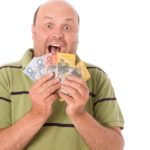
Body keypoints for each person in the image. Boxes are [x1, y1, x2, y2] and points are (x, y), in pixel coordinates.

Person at [0, 0, 124, 149]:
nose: (57, 35)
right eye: (49, 26)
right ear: (34, 32)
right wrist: (37, 114)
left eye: (67, 27)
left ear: (77, 36)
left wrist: (79, 115)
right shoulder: (4, 76)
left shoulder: (97, 77)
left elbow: (115, 147)